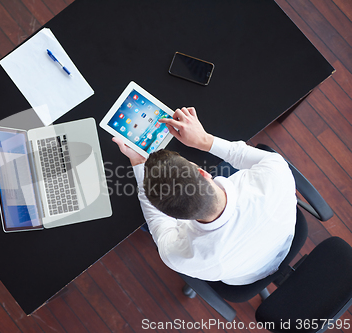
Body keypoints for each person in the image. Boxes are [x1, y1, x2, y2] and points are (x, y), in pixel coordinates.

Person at [113, 107, 297, 285]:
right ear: (202, 172)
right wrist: (203, 140)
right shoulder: (276, 175)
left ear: (173, 217)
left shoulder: (179, 256)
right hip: (281, 241)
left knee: (144, 223)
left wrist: (138, 163)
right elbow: (241, 154)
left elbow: (156, 221)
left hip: (243, 275)